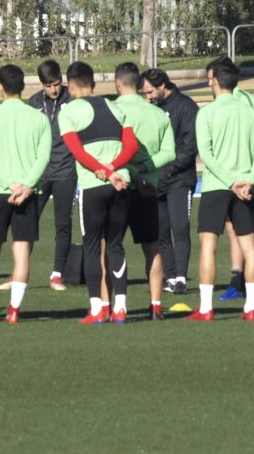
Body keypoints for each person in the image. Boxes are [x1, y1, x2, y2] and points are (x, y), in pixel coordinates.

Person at [57, 61, 137, 324]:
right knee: (115, 245)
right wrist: (114, 169)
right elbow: (132, 147)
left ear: (70, 85)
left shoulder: (68, 112)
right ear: (92, 83)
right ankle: (121, 308)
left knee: (92, 248)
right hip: (121, 184)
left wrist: (103, 172)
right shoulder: (114, 106)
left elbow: (78, 153)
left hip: (94, 186)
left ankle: (97, 310)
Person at [190, 60, 254, 321]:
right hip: (245, 186)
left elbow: (206, 154)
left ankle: (206, 308)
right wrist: (249, 180)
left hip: (217, 186)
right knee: (250, 246)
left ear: (214, 81)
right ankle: (251, 308)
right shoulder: (250, 111)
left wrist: (229, 180)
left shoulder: (207, 113)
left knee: (208, 246)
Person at [0, 64, 50, 323]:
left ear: (0, 87)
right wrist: (27, 185)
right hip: (29, 193)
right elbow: (44, 157)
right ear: (24, 87)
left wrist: (10, 184)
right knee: (21, 252)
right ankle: (14, 310)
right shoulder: (39, 118)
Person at [112, 63, 175, 320]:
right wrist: (146, 168)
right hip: (149, 188)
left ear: (118, 83)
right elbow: (170, 152)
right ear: (139, 85)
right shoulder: (158, 114)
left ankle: (115, 305)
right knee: (152, 247)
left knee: (112, 246)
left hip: (119, 185)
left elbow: (111, 151)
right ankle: (156, 305)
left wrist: (134, 173)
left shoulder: (111, 111)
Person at [207, 57, 254, 303]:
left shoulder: (229, 102)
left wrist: (236, 180)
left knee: (236, 232)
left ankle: (237, 280)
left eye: (211, 78)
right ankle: (239, 282)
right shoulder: (249, 100)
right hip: (249, 175)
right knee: (239, 231)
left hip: (230, 178)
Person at [141, 68, 198, 296]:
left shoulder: (186, 107)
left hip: (179, 180)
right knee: (161, 232)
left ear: (162, 85)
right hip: (157, 180)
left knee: (180, 228)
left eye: (150, 92)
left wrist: (168, 170)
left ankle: (181, 278)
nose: (148, 97)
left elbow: (189, 147)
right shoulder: (152, 109)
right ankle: (171, 277)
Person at [27, 60, 77, 291]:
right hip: (41, 172)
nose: (54, 90)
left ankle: (57, 273)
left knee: (63, 225)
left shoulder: (72, 100)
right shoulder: (34, 103)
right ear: (41, 85)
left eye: (56, 84)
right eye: (48, 86)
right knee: (28, 222)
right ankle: (21, 271)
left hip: (66, 171)